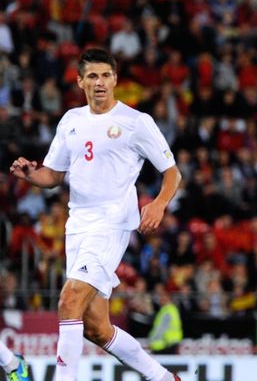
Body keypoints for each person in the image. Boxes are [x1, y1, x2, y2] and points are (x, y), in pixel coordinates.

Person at [9, 49, 183, 381]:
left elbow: (172, 172)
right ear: (80, 81)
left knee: (69, 298)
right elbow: (53, 175)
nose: (100, 82)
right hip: (77, 226)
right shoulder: (71, 121)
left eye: (105, 75)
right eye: (92, 76)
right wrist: (31, 174)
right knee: (96, 328)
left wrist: (159, 203)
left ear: (115, 79)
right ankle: (163, 378)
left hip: (111, 224)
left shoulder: (135, 122)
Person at [149, 285, 184, 354]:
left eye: (162, 296)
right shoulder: (172, 309)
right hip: (171, 344)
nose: (160, 298)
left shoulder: (166, 311)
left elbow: (160, 329)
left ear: (167, 298)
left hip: (164, 345)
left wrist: (152, 341)